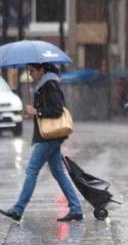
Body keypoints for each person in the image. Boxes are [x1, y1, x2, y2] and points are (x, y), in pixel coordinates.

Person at [0, 63, 83, 222]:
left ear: (41, 70)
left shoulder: (49, 85)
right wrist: (34, 112)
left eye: (32, 71)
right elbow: (48, 108)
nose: (30, 74)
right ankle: (76, 208)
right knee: (58, 173)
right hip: (49, 136)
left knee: (31, 170)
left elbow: (57, 109)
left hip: (49, 137)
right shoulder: (45, 84)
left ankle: (18, 209)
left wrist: (36, 111)